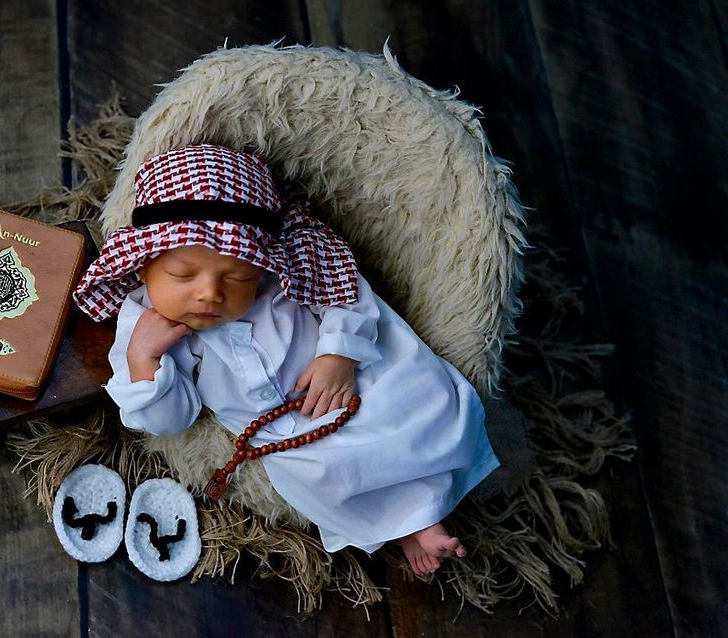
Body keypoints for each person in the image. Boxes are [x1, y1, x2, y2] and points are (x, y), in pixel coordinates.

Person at [72, 143, 499, 576]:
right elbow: (170, 419)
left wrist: (338, 354)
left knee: (419, 404)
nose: (209, 293)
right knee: (324, 475)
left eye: (238, 277)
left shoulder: (291, 270)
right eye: (183, 275)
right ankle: (408, 523)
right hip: (284, 427)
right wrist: (145, 359)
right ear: (144, 265)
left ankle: (425, 505)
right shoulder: (144, 325)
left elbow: (349, 297)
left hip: (348, 379)